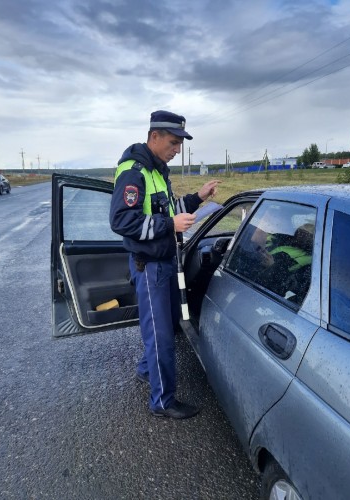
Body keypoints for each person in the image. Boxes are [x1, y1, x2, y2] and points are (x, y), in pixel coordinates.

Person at [109, 110, 220, 419]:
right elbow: (120, 221)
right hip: (151, 266)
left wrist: (198, 197)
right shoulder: (134, 171)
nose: (177, 150)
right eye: (173, 143)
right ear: (154, 136)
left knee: (166, 326)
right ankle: (162, 401)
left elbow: (170, 210)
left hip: (166, 261)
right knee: (160, 336)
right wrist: (169, 224)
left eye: (180, 144)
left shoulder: (158, 170)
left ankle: (147, 370)